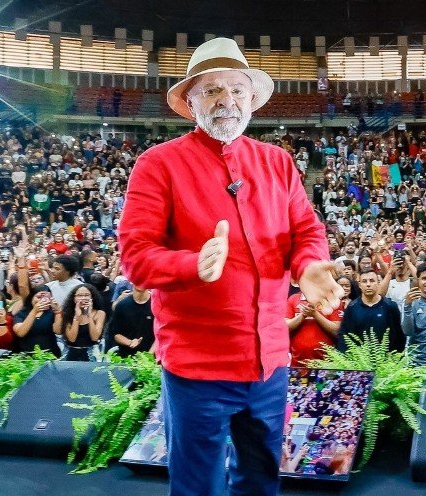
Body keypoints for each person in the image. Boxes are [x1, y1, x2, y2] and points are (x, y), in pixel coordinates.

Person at [118, 37, 341, 496]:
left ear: (252, 100)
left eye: (238, 90)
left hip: (269, 364)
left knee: (261, 480)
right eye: (213, 90)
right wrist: (189, 265)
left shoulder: (277, 162)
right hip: (198, 368)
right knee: (198, 486)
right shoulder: (157, 165)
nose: (228, 101)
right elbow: (136, 257)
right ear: (191, 100)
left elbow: (305, 230)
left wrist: (312, 266)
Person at [336, 269, 405, 351]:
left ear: (378, 283)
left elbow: (398, 335)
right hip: (359, 359)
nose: (368, 284)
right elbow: (345, 335)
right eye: (364, 281)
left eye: (372, 281)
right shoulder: (352, 307)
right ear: (359, 285)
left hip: (386, 360)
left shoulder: (390, 306)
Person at [57, 283, 106, 361]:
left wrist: (89, 315)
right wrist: (77, 315)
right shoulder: (67, 313)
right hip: (71, 352)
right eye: (79, 295)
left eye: (87, 295)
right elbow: (71, 338)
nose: (83, 298)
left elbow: (95, 337)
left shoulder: (100, 313)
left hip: (92, 353)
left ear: (92, 297)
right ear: (74, 298)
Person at [12, 285, 62, 356]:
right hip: (27, 356)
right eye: (38, 297)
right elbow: (20, 333)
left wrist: (58, 311)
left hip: (51, 354)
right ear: (31, 298)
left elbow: (58, 331)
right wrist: (34, 311)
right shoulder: (21, 314)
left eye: (46, 298)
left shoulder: (52, 313)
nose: (42, 300)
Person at [106, 286, 155, 358]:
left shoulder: (156, 304)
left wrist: (148, 356)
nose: (140, 284)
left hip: (152, 359)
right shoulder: (122, 305)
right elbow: (116, 334)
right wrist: (130, 342)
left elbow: (161, 335)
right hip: (126, 358)